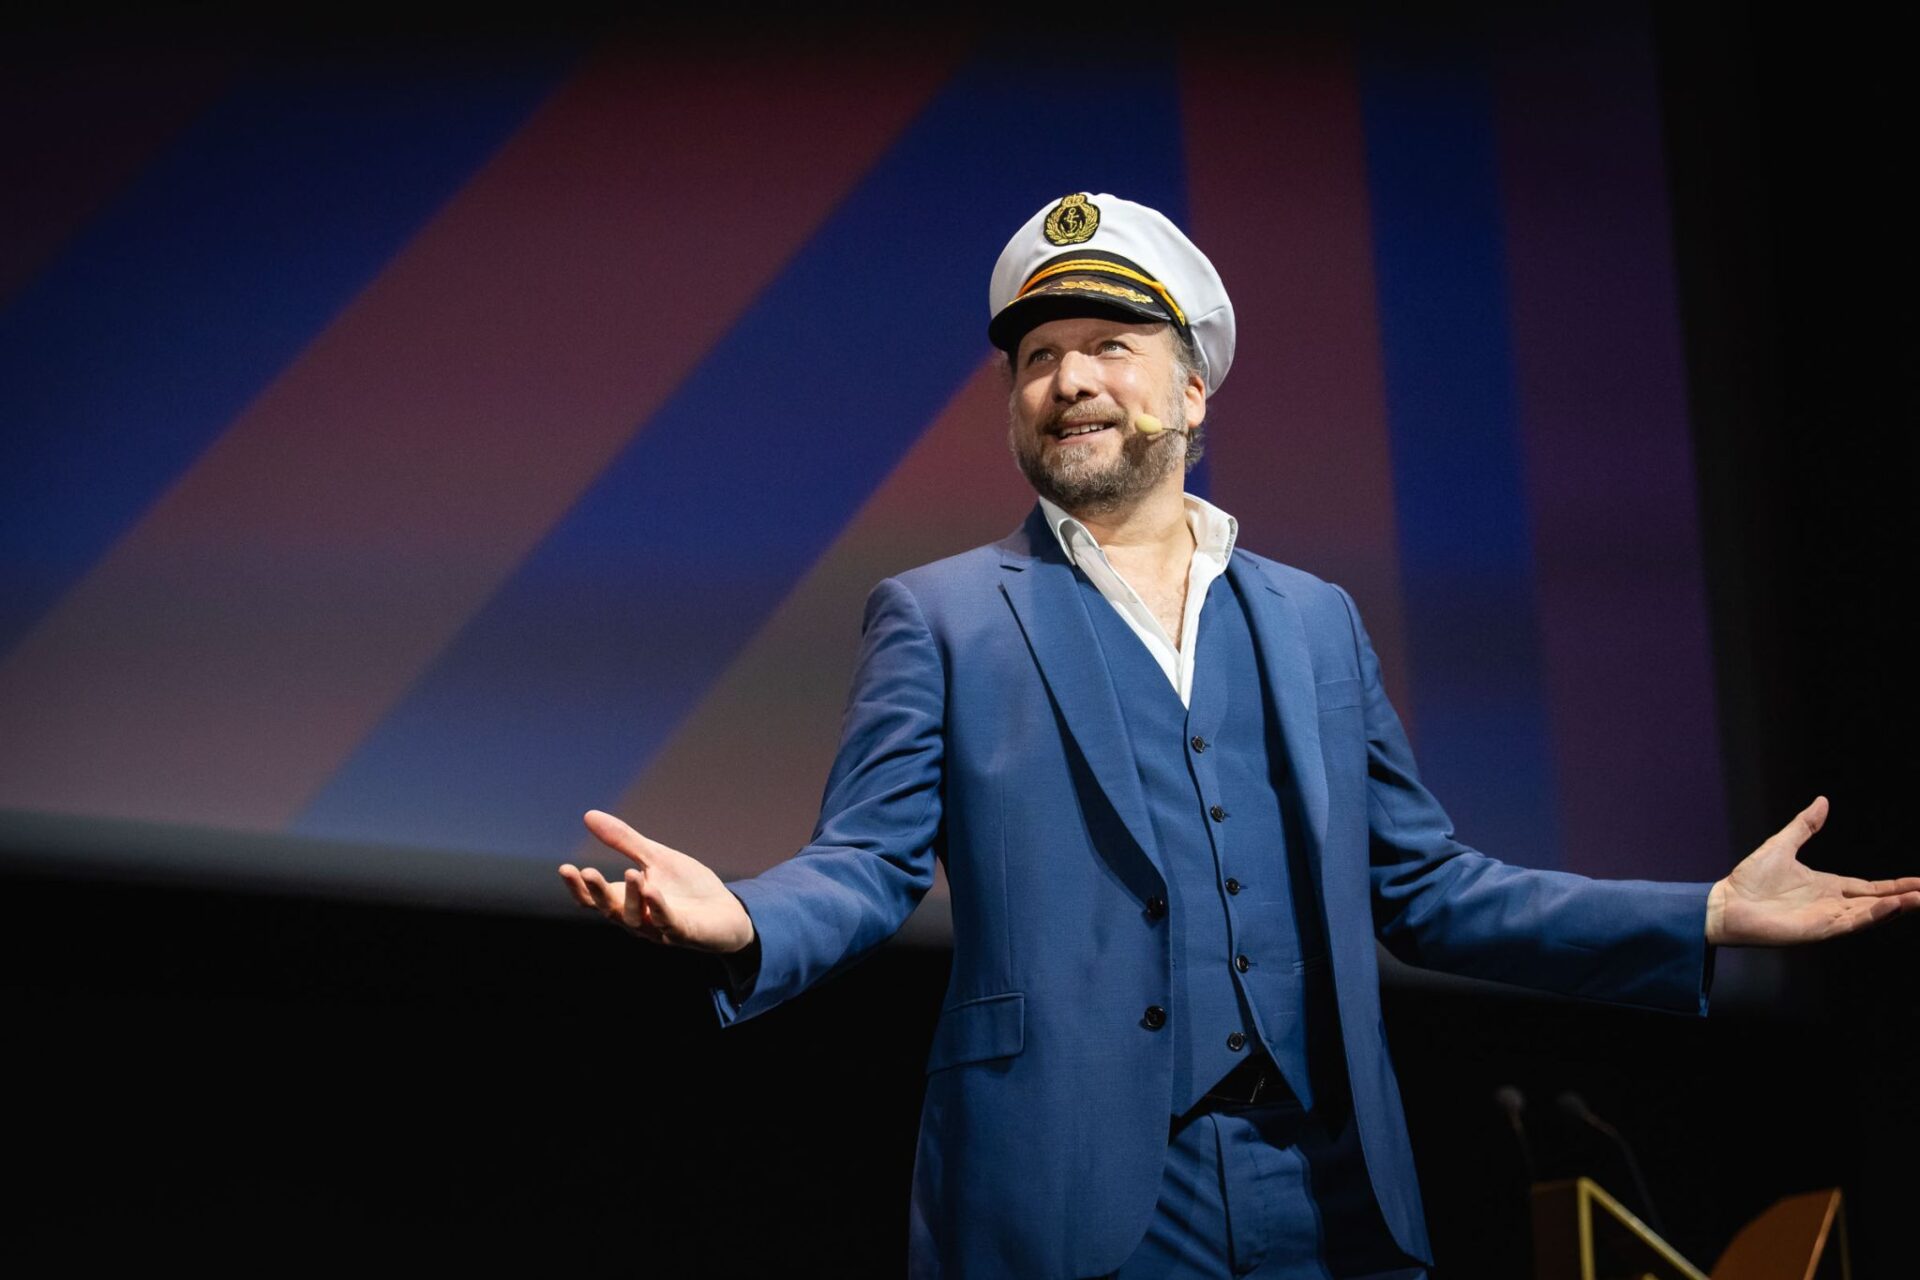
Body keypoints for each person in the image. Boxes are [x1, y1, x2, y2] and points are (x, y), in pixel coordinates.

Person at [558, 193, 1920, 1279]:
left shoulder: (1314, 621)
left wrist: (1703, 917)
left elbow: (1429, 890)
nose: (1068, 379)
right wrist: (746, 918)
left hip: (1331, 1190)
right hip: (1067, 1194)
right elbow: (868, 863)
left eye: (1109, 347)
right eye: (1037, 359)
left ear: (1194, 389)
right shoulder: (943, 617)